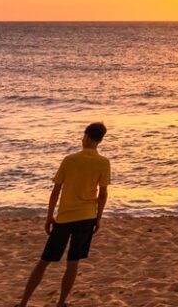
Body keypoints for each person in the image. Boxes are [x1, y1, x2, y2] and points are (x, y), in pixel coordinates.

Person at [18, 122, 111, 307]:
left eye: (83, 136)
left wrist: (49, 216)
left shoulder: (70, 160)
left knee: (44, 261)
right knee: (73, 262)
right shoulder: (103, 162)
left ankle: (23, 304)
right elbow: (103, 194)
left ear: (87, 137)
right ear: (100, 140)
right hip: (86, 217)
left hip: (65, 218)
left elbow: (56, 191)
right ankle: (61, 303)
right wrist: (98, 218)